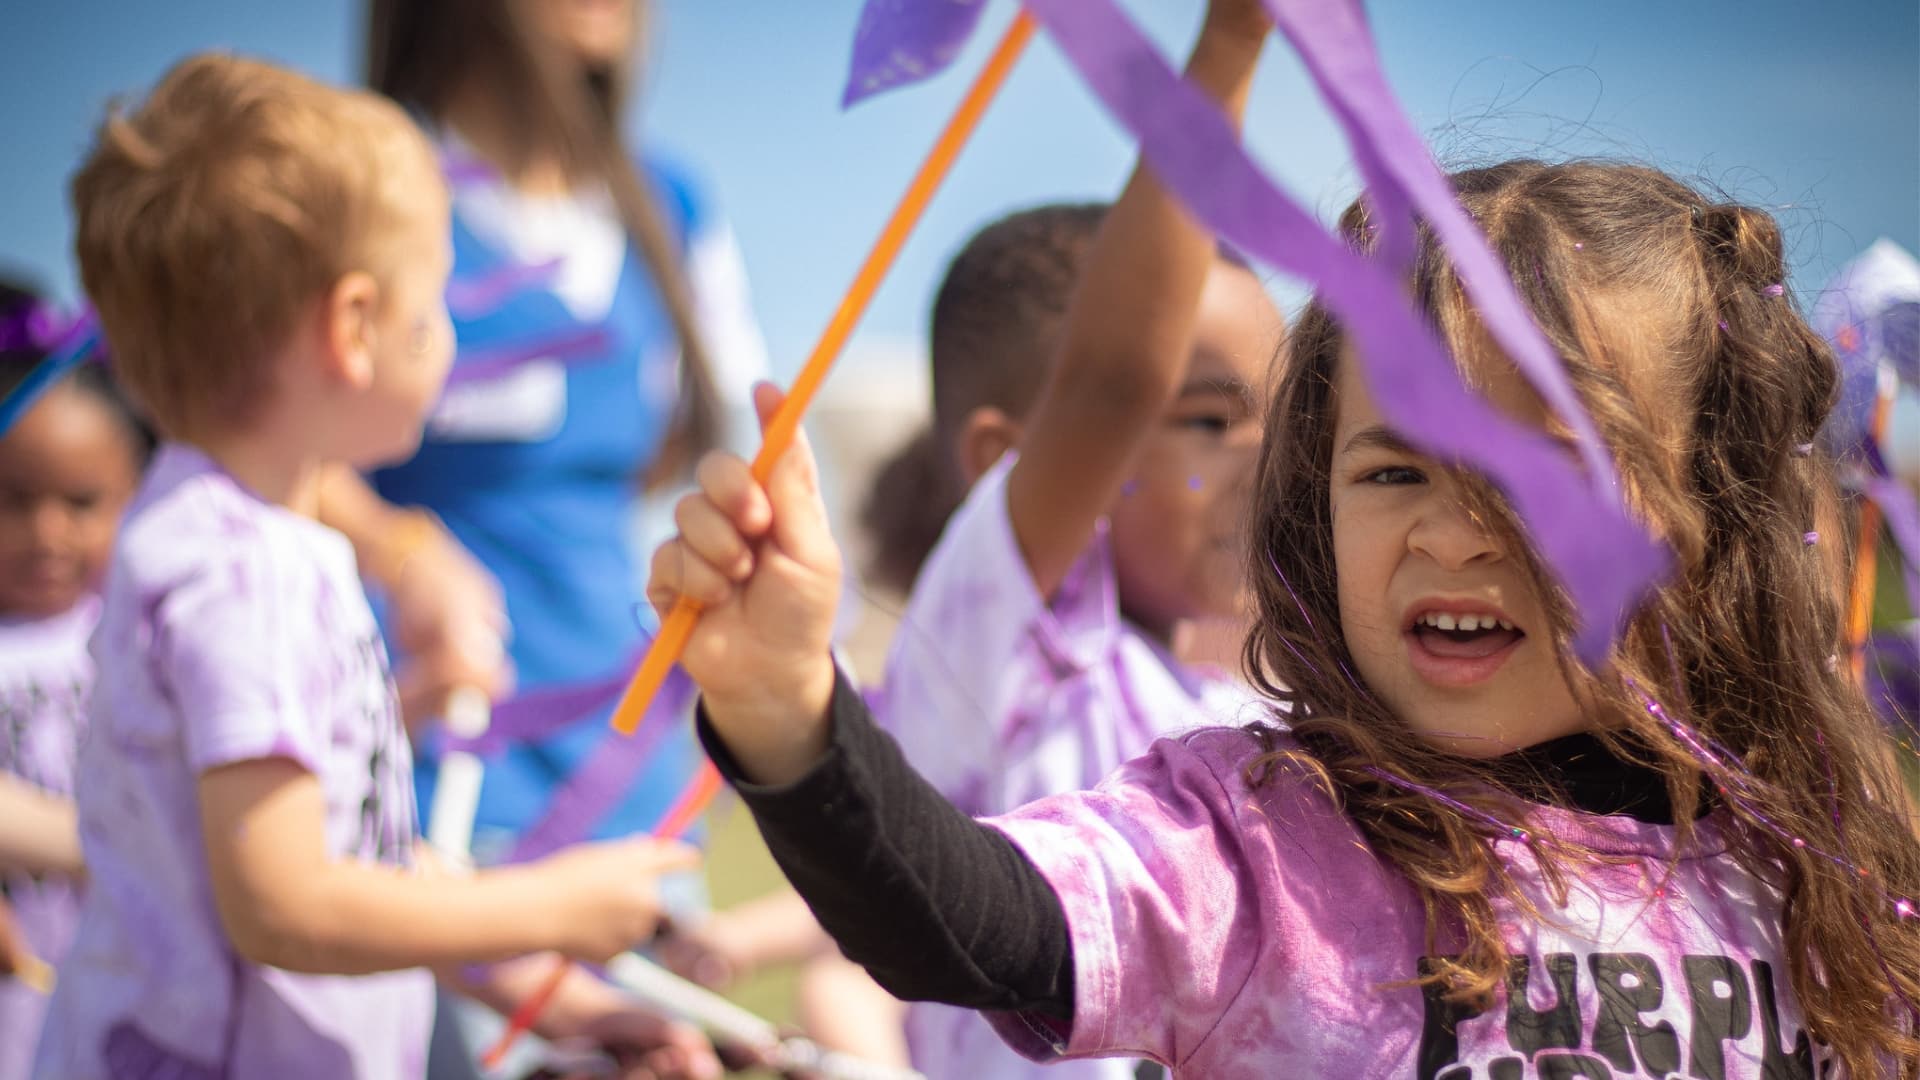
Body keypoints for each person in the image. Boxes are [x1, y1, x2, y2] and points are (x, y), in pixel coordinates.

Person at [650, 155, 1920, 1076]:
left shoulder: (1816, 871)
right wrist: (786, 709)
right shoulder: (1260, 844)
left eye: (1537, 474)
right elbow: (971, 924)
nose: (1450, 533)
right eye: (1394, 472)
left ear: (1716, 513)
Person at [33, 54, 718, 1079]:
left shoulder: (207, 530)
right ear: (354, 327)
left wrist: (557, 1002)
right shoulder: (243, 572)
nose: (446, 338)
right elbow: (286, 906)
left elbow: (318, 849)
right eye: (431, 307)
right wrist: (546, 906)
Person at [837, 5, 1279, 1075]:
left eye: (1277, 419)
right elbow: (1112, 377)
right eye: (1208, 421)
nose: (1266, 463)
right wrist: (1227, 53)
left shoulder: (1238, 716)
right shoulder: (1006, 641)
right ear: (1006, 458)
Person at [318, 0, 769, 864]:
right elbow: (253, 436)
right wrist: (399, 550)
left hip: (626, 764)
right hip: (430, 747)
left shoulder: (670, 203)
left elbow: (737, 446)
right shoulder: (368, 188)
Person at [0, 284, 149, 1080]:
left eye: (82, 502)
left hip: (127, 979)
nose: (46, 532)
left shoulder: (143, 631)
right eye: (12, 500)